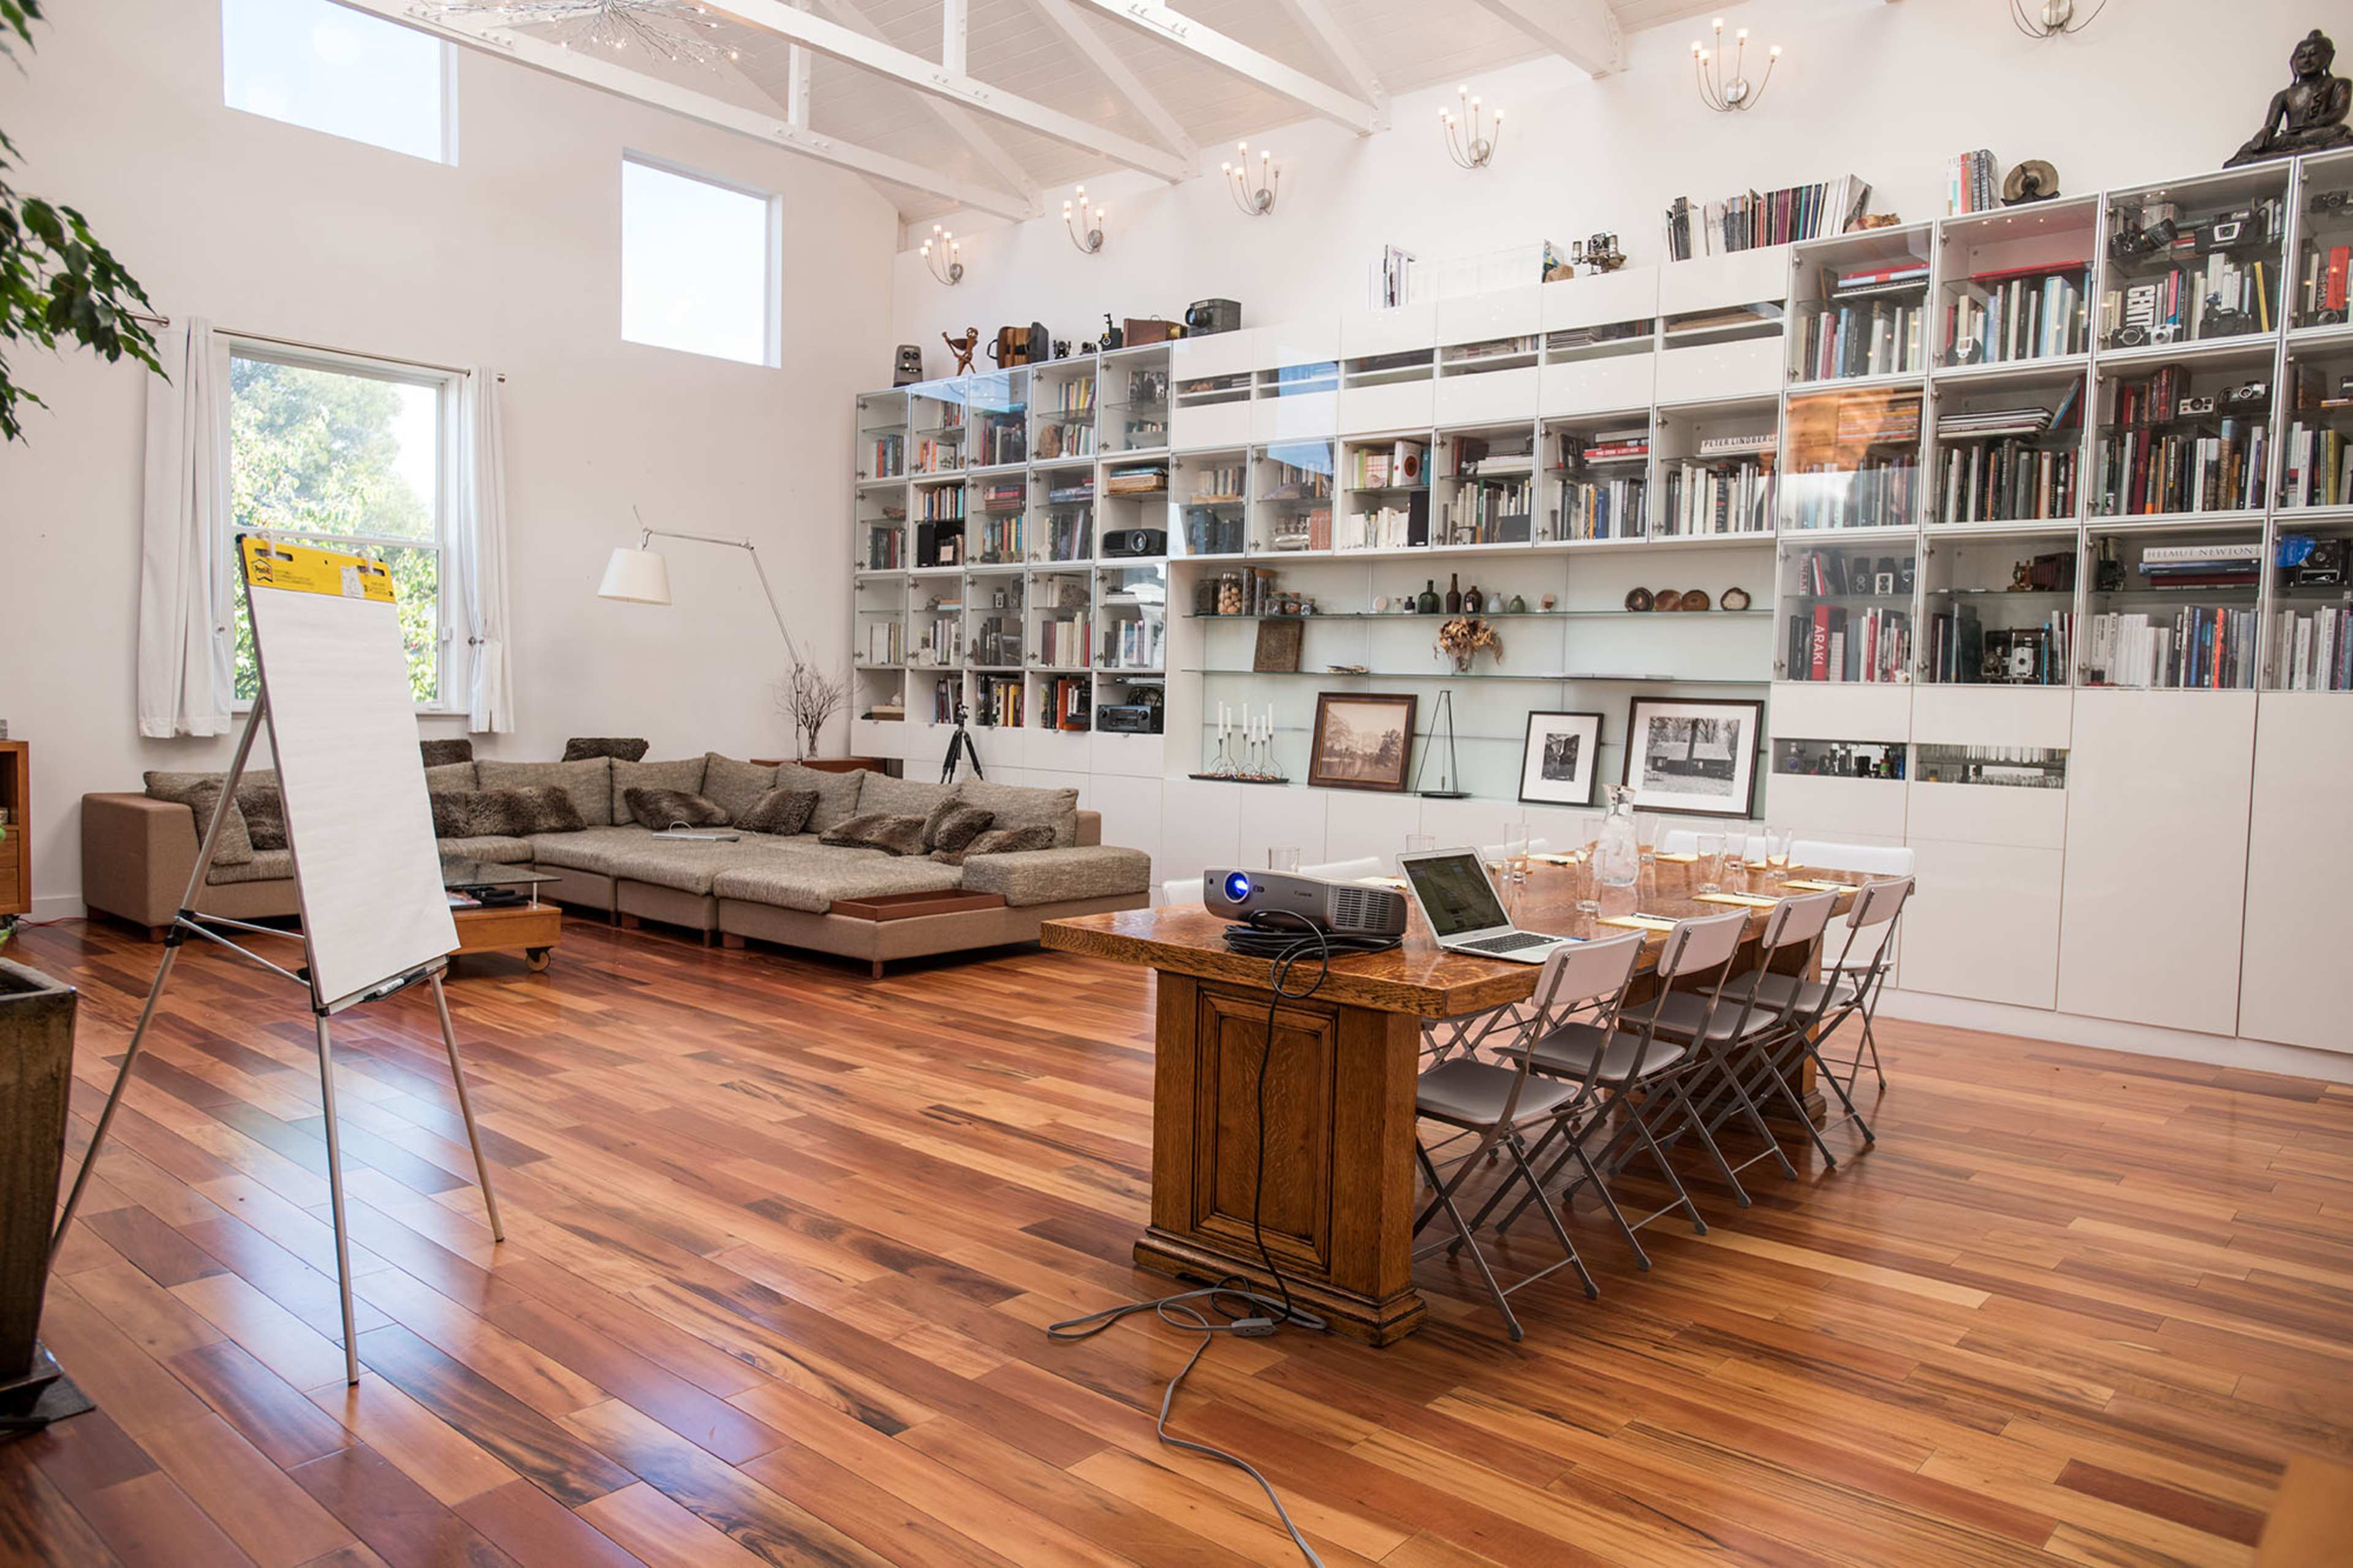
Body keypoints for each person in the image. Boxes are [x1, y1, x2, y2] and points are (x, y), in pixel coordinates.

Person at [2229, 29, 2353, 165]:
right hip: (2290, 138)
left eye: (2313, 54)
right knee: (2248, 148)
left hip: (2318, 133)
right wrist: (2265, 132)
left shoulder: (2340, 84)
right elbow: (2271, 125)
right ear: (2292, 62)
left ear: (2329, 58)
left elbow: (2338, 112)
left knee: (2340, 131)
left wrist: (2314, 124)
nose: (2307, 60)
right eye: (2301, 56)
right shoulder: (2283, 95)